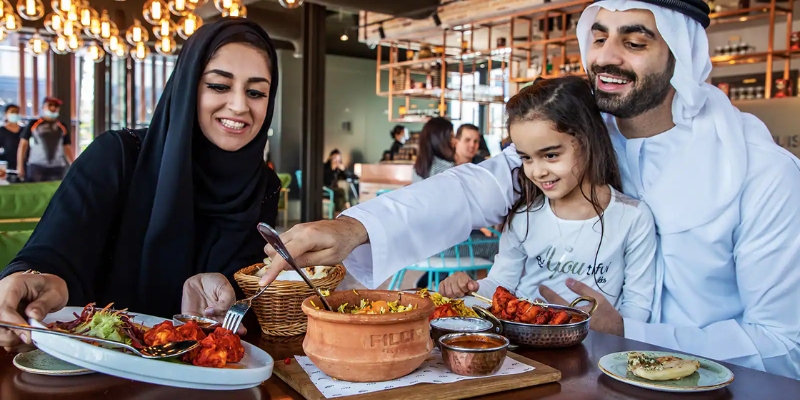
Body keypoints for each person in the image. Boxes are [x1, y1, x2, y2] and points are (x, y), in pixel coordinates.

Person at [261, 0, 800, 379]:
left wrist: (633, 334)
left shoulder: (762, 174)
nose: (607, 57)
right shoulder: (584, 137)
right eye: (599, 35)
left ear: (683, 53)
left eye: (635, 41)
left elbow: (783, 346)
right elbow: (474, 189)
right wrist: (353, 226)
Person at [0, 18, 282, 350]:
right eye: (218, 86)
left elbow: (248, 301)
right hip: (95, 369)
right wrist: (34, 279)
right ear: (188, 86)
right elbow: (54, 249)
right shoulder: (117, 156)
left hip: (202, 378)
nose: (239, 105)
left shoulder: (261, 186)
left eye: (256, 92)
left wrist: (227, 296)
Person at [439, 77, 657, 325]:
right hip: (525, 350)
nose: (537, 171)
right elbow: (501, 284)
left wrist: (611, 326)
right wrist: (469, 288)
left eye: (551, 155)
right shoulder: (524, 217)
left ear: (586, 140)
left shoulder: (633, 218)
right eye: (526, 158)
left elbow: (637, 308)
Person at [16, 97, 73, 182]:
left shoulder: (62, 126)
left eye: (56, 106)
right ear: (43, 107)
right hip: (37, 165)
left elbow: (67, 147)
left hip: (58, 166)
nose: (53, 108)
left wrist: (73, 164)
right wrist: (20, 166)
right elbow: (23, 144)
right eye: (50, 105)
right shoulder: (34, 124)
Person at [412, 117, 455, 183]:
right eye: (451, 137)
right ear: (441, 140)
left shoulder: (419, 168)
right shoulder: (446, 169)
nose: (455, 141)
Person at [0, 104, 21, 180]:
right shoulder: (2, 130)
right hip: (7, 163)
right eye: (12, 112)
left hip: (22, 163)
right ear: (6, 114)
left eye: (17, 112)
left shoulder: (23, 130)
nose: (15, 114)